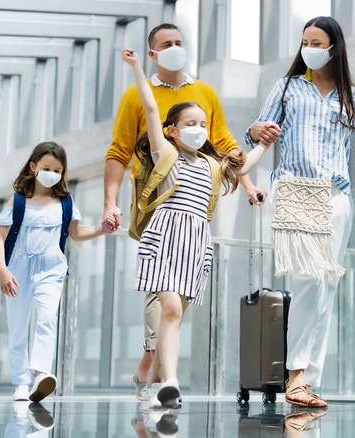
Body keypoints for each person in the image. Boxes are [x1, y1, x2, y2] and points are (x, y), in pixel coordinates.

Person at [245, 16, 355, 407]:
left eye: (317, 41)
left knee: (326, 286)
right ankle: (295, 375)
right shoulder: (287, 88)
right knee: (309, 278)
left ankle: (307, 380)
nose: (308, 47)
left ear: (333, 48)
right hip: (294, 189)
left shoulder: (351, 96)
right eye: (304, 40)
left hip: (336, 198)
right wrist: (257, 129)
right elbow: (257, 131)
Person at [103, 23, 267, 400]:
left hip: (195, 240)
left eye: (179, 41)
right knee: (167, 308)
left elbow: (232, 156)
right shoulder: (163, 144)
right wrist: (135, 71)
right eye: (167, 43)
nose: (176, 47)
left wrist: (256, 160)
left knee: (176, 313)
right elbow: (124, 142)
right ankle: (163, 376)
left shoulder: (207, 123)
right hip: (161, 223)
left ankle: (155, 378)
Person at [0, 141, 106, 402]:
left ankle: (40, 374)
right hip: (17, 270)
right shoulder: (18, 200)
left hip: (51, 269)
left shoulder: (65, 202)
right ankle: (21, 383)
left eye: (57, 170)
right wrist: (2, 270)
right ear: (33, 167)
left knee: (46, 318)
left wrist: (102, 229)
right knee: (18, 326)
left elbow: (76, 234)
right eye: (46, 168)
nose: (52, 174)